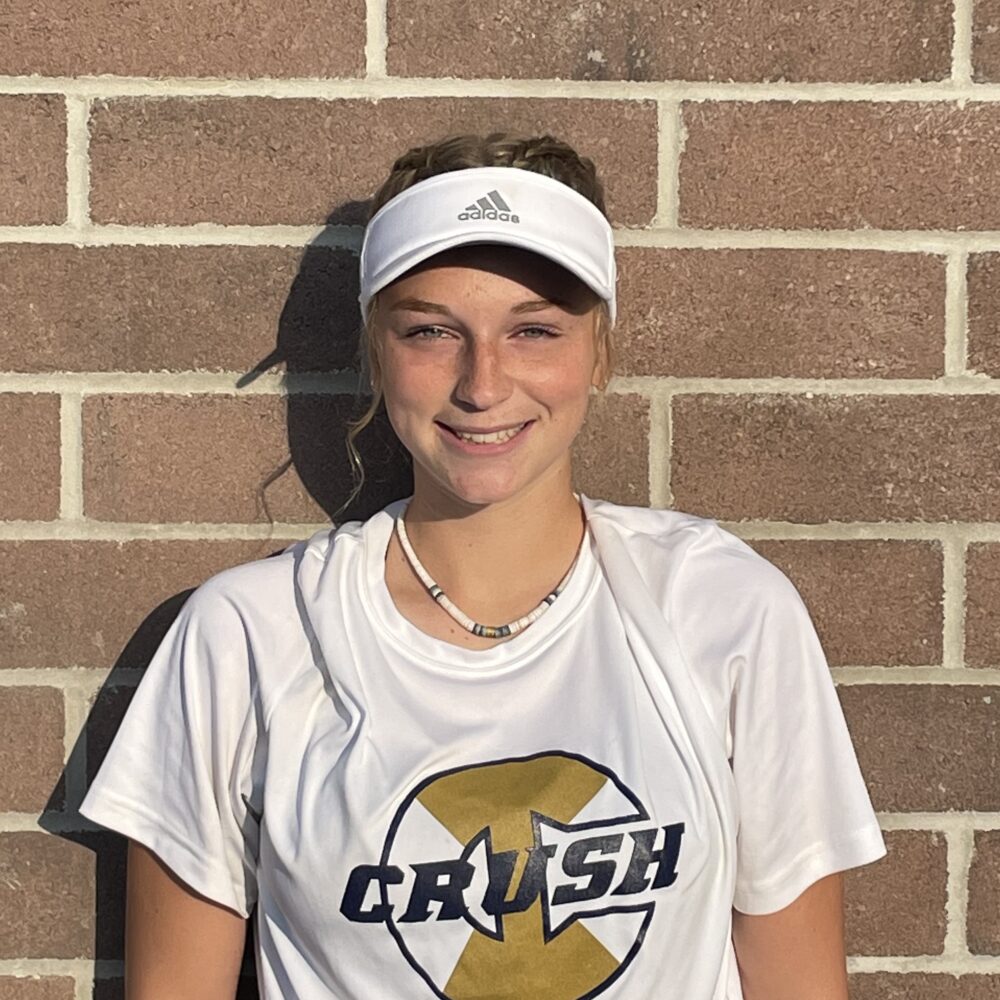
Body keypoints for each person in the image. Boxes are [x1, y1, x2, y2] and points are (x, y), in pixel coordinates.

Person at [79, 133, 886, 1000]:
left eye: (534, 330)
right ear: (376, 353)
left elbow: (800, 981)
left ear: (599, 352)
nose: (483, 384)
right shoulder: (248, 635)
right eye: (431, 331)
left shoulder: (721, 607)